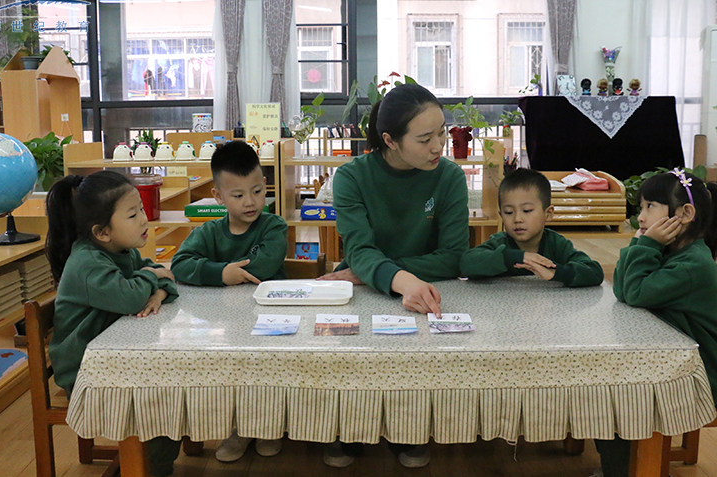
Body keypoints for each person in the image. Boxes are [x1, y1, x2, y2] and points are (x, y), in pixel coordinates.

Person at [319, 83, 469, 469]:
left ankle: (409, 429)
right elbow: (358, 249)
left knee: (416, 354)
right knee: (351, 356)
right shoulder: (351, 178)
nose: (439, 146)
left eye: (441, 132)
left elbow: (453, 258)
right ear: (390, 140)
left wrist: (378, 271)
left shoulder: (449, 177)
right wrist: (397, 277)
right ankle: (348, 429)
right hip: (372, 285)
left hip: (390, 281)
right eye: (425, 139)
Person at [594, 170, 717, 477]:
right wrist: (642, 245)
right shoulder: (673, 251)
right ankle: (626, 468)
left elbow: (633, 292)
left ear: (685, 214)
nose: (640, 216)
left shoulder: (692, 264)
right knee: (607, 394)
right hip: (676, 363)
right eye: (640, 207)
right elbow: (622, 287)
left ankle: (628, 471)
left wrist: (644, 245)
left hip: (703, 374)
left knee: (613, 402)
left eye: (650, 207)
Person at [46, 170, 181, 477]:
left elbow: (163, 276)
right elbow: (130, 297)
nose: (144, 219)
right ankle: (147, 468)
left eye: (142, 210)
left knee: (170, 392)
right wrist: (151, 280)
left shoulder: (122, 251)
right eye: (133, 214)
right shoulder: (88, 262)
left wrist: (158, 292)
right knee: (161, 403)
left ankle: (150, 465)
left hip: (116, 359)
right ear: (102, 232)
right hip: (85, 371)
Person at [171, 140, 287, 462]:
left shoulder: (273, 225)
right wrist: (222, 273)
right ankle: (239, 429)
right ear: (218, 197)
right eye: (238, 195)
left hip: (271, 321)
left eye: (257, 191)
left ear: (265, 186)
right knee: (232, 374)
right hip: (227, 322)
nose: (250, 202)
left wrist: (210, 271)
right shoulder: (209, 232)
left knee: (268, 374)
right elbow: (180, 264)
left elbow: (263, 267)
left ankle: (269, 427)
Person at [460, 168, 603, 287]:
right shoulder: (499, 243)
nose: (517, 219)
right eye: (509, 212)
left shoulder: (556, 244)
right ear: (501, 215)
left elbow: (595, 272)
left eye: (527, 210)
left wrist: (558, 272)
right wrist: (512, 258)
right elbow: (467, 263)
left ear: (548, 214)